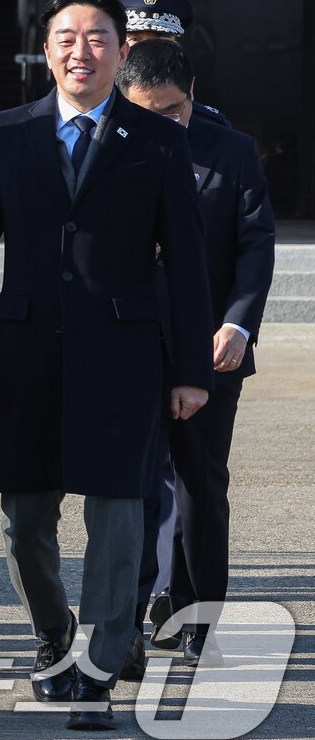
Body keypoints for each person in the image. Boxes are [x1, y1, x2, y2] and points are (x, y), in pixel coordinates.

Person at [0, 0, 213, 731]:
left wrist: (191, 370)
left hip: (124, 355)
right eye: (66, 37)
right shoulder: (6, 134)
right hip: (29, 351)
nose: (82, 50)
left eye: (97, 37)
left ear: (120, 48)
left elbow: (190, 265)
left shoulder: (159, 140)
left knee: (119, 516)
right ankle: (52, 639)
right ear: (45, 51)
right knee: (22, 519)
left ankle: (100, 668)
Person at [116, 39, 275, 666]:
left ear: (192, 96)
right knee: (129, 487)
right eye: (146, 113)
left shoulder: (230, 152)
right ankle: (122, 623)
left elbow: (255, 244)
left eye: (174, 111)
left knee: (199, 484)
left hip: (212, 348)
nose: (163, 124)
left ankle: (196, 618)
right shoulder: (106, 148)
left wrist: (239, 325)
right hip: (130, 343)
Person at [112, 0, 230, 128]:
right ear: (121, 47)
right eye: (135, 39)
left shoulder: (210, 126)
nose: (149, 51)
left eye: (161, 40)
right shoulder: (95, 117)